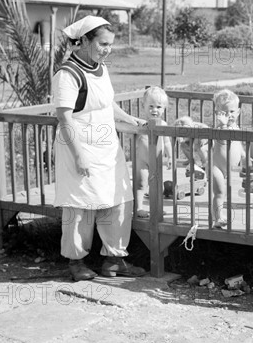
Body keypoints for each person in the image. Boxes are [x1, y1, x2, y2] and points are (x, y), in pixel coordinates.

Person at [53, 15, 146, 281]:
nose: (107, 50)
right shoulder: (67, 74)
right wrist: (79, 155)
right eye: (102, 44)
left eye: (109, 45)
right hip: (78, 147)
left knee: (119, 200)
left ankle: (114, 260)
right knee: (79, 206)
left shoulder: (101, 68)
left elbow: (107, 104)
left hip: (107, 148)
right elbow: (65, 116)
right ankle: (76, 262)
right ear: (83, 41)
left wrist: (129, 119)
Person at [135, 86, 173, 218]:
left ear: (164, 109)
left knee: (157, 186)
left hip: (156, 160)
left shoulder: (163, 124)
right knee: (140, 183)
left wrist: (170, 157)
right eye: (150, 106)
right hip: (142, 160)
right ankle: (138, 208)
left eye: (158, 107)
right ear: (143, 106)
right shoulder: (141, 123)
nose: (154, 110)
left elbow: (167, 142)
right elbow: (135, 137)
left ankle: (157, 208)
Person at [211, 89, 245, 228]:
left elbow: (239, 146)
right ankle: (217, 218)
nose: (228, 115)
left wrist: (244, 156)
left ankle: (219, 214)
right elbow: (222, 137)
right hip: (217, 167)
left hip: (229, 169)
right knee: (219, 193)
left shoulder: (236, 128)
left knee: (226, 193)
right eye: (224, 113)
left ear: (238, 112)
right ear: (217, 114)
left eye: (232, 112)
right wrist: (223, 124)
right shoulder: (219, 127)